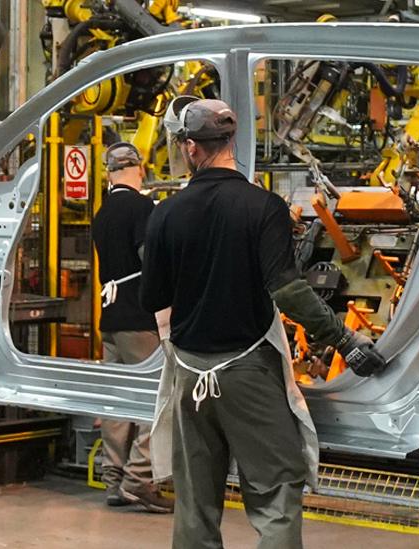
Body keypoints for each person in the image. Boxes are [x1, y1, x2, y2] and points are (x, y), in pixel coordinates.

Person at [140, 96, 388, 548]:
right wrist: (342, 338)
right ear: (230, 140)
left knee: (195, 502)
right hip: (248, 372)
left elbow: (152, 299)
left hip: (188, 376)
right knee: (274, 494)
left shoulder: (164, 215)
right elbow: (288, 289)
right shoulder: (263, 207)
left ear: (191, 149)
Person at [90, 141, 173, 514]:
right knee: (153, 398)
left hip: (110, 317)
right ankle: (139, 480)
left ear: (110, 173)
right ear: (138, 169)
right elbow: (148, 259)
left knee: (116, 400)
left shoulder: (102, 213)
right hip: (140, 317)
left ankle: (113, 478)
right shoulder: (142, 207)